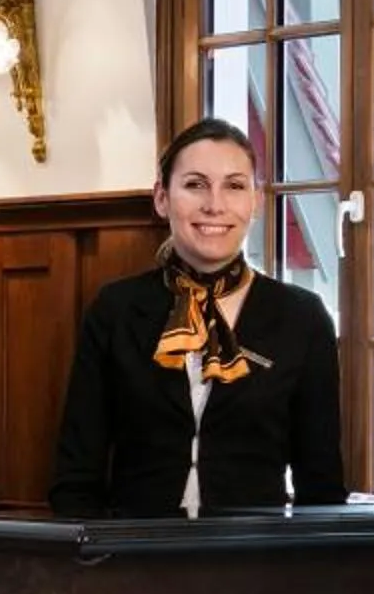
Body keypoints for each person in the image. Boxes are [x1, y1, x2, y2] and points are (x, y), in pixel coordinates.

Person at [48, 118, 347, 518]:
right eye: (195, 184)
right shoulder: (115, 310)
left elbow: (321, 484)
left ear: (255, 201)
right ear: (162, 198)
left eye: (234, 186)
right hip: (134, 548)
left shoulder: (302, 317)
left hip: (256, 550)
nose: (215, 205)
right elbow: (76, 477)